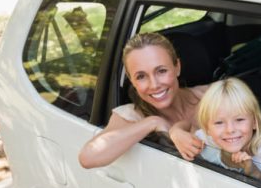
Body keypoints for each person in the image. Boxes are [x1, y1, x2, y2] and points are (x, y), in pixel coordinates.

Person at [78, 32, 208, 168]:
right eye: (141, 76)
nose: (154, 85)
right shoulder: (132, 115)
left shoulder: (210, 96)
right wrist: (153, 122)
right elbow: (88, 158)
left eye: (161, 71)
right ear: (132, 81)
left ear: (177, 67)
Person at [194, 77, 261, 184]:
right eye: (219, 122)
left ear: (255, 122)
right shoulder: (204, 143)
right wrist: (180, 133)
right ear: (207, 128)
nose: (230, 130)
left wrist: (254, 172)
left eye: (239, 120)